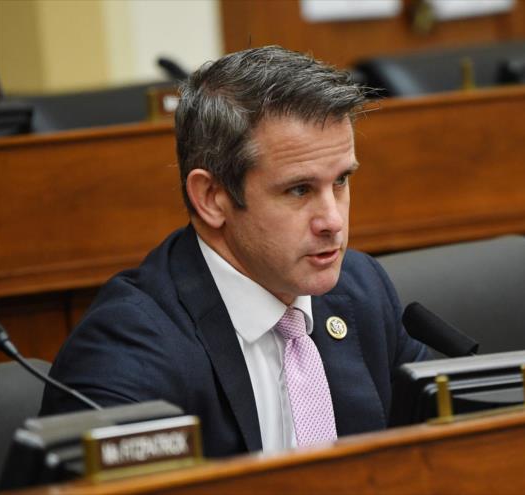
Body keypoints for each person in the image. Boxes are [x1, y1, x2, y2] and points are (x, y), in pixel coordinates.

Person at [39, 46, 428, 457]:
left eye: (341, 181)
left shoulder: (362, 290)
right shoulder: (128, 351)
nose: (332, 220)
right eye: (299, 190)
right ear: (211, 197)